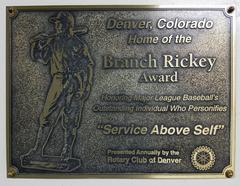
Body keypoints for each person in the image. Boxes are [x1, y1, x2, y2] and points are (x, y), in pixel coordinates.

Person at [21, 11, 94, 162]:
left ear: (68, 25)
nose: (57, 26)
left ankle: (67, 152)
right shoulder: (53, 42)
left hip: (75, 82)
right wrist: (37, 44)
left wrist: (86, 87)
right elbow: (41, 58)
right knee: (46, 116)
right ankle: (37, 150)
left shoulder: (78, 44)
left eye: (60, 23)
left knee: (70, 119)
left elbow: (88, 66)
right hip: (58, 81)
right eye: (56, 23)